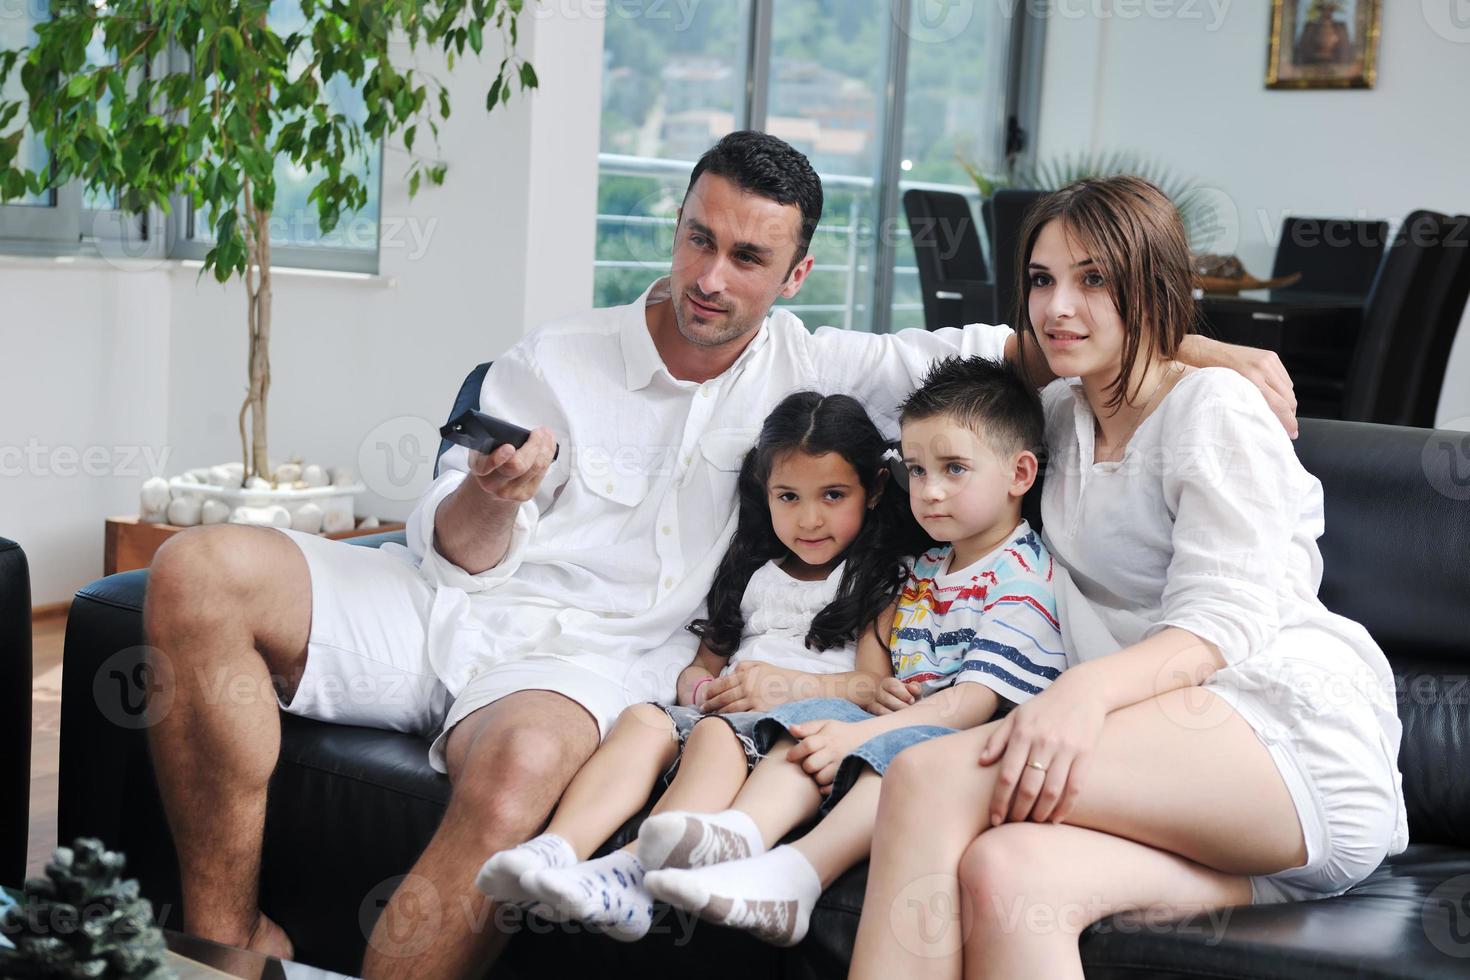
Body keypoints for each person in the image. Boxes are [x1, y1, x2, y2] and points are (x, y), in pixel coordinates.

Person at [141, 130, 1299, 980]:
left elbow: (1025, 341)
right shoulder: (554, 353)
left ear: (793, 277)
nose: (711, 276)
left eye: (749, 257)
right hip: (443, 594)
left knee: (519, 765)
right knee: (199, 569)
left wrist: (1193, 340)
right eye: (700, 237)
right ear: (678, 223)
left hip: (585, 662)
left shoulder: (823, 364)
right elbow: (447, 542)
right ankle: (226, 940)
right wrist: (494, 502)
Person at [847, 176, 1408, 979]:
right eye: (1042, 280)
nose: (1058, 306)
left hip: (1282, 737)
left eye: (1094, 278)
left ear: (1152, 288)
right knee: (1008, 875)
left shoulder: (1214, 409)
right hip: (1181, 780)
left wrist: (1082, 694)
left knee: (931, 776)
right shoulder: (1063, 419)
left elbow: (1225, 622)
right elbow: (939, 395)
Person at [633, 356, 1066, 947]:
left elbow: (970, 704)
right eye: (917, 470)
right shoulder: (923, 566)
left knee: (898, 761)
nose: (930, 491)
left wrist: (857, 734)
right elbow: (871, 672)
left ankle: (797, 874)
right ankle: (734, 835)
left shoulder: (1025, 576)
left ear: (1020, 474)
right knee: (803, 729)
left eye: (954, 469)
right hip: (899, 725)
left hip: (972, 745)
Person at [474, 389, 925, 940]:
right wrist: (700, 688)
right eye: (788, 497)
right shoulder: (754, 572)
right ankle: (556, 849)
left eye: (833, 495)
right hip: (727, 718)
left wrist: (782, 687)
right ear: (766, 493)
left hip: (799, 728)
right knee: (642, 718)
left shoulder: (872, 578)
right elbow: (704, 662)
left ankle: (632, 876)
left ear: (874, 489)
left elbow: (871, 684)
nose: (809, 519)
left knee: (713, 736)